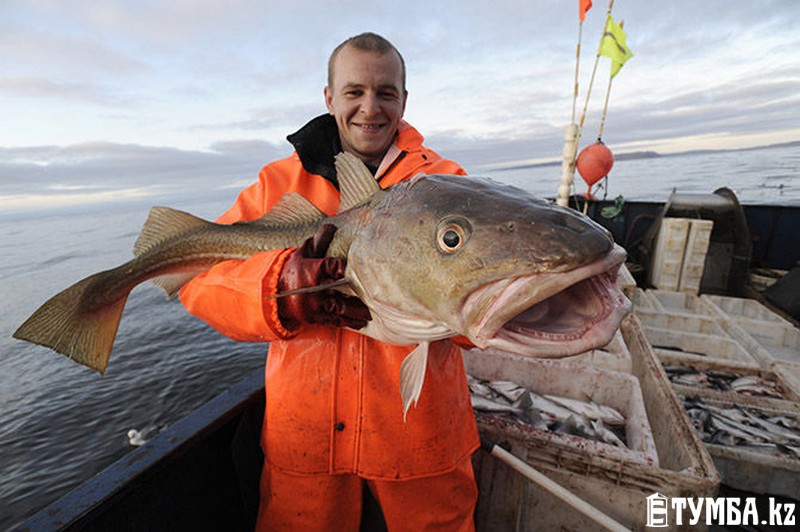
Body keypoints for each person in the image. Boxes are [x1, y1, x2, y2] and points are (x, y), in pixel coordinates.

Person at [179, 32, 480, 530]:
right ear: (329, 97)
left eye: (386, 93)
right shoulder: (278, 184)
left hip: (422, 440)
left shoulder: (447, 185)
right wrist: (279, 291)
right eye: (354, 91)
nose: (370, 108)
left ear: (404, 100)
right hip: (306, 442)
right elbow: (200, 281)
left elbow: (481, 304)